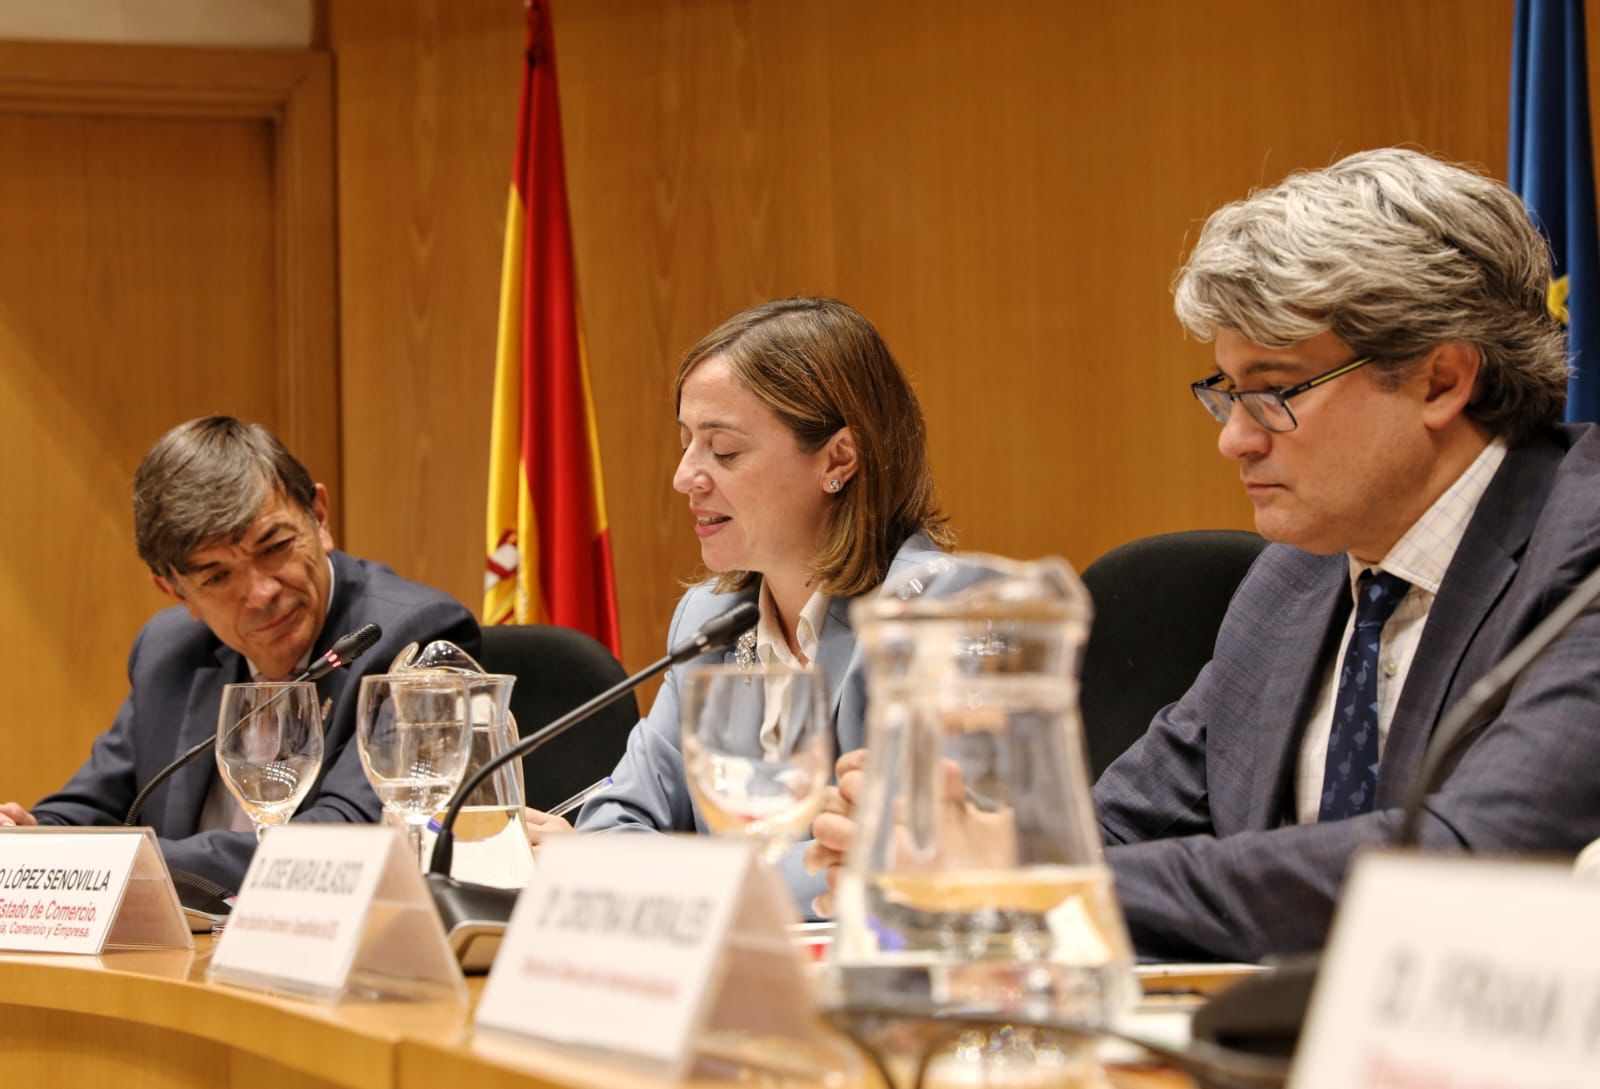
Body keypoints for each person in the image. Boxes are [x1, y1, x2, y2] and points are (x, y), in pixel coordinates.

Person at [812, 147, 1600, 961]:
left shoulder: (1584, 558)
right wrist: (946, 846)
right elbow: (1121, 828)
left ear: (1441, 380)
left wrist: (1014, 876)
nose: (1236, 439)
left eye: (1275, 391)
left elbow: (1467, 862)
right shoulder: (1294, 580)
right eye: (1229, 392)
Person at [522, 296, 953, 908]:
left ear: (838, 458)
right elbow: (614, 820)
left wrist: (642, 873)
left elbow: (876, 864)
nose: (685, 477)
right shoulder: (708, 621)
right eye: (686, 444)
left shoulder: (929, 616)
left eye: (723, 450)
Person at [0, 417, 480, 891]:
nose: (261, 593)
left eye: (275, 547)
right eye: (216, 577)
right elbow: (89, 808)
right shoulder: (169, 651)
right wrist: (28, 836)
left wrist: (117, 862)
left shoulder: (414, 637)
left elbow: (345, 837)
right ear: (175, 591)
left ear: (319, 517)